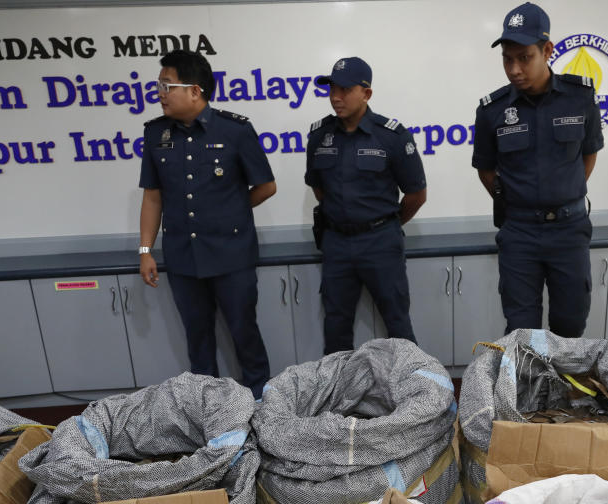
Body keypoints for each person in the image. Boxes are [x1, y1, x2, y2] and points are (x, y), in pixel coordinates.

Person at [137, 49, 276, 398]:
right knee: (197, 339)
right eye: (159, 85)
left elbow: (266, 186)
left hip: (232, 256)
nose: (160, 93)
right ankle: (209, 409)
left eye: (167, 86)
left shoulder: (235, 130)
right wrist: (145, 250)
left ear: (195, 91)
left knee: (245, 333)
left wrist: (230, 210)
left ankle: (262, 404)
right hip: (184, 257)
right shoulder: (156, 135)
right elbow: (152, 196)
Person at [472, 2, 604, 338]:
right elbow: (486, 170)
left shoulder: (580, 98)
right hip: (519, 233)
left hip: (570, 230)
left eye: (524, 57)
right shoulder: (492, 110)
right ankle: (528, 391)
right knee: (521, 329)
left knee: (571, 323)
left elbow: (588, 156)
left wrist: (562, 195)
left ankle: (563, 391)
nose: (514, 69)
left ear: (547, 50)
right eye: (507, 58)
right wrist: (519, 201)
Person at [305, 57, 427, 354]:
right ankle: (339, 396)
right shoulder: (320, 136)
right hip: (336, 242)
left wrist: (386, 224)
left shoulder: (392, 136)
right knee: (335, 326)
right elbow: (319, 189)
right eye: (332, 88)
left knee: (398, 324)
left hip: (380, 241)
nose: (336, 96)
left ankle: (416, 391)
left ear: (366, 93)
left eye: (344, 89)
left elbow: (416, 194)